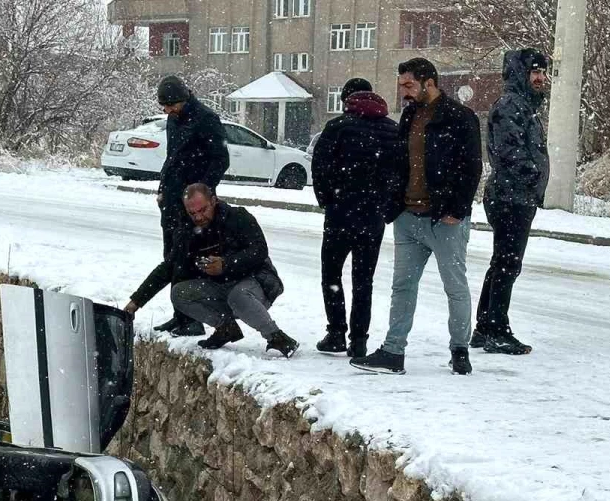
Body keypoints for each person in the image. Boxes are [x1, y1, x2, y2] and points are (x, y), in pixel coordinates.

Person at [351, 58, 482, 376]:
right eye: (401, 86)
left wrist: (457, 208)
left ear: (430, 82)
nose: (404, 92)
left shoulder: (460, 117)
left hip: (444, 220)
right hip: (408, 216)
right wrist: (391, 200)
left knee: (455, 286)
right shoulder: (410, 115)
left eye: (409, 85)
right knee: (403, 287)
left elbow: (471, 167)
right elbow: (400, 161)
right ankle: (393, 353)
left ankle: (459, 350)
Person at [125, 184, 299, 358]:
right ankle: (226, 328)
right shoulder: (187, 231)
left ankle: (277, 336)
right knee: (180, 293)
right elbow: (168, 267)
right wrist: (135, 303)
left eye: (203, 210)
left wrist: (226, 264)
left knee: (238, 296)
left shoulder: (238, 217)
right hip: (220, 286)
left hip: (256, 283)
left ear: (214, 201)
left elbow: (259, 251)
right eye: (192, 213)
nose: (198, 217)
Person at [310, 77, 403, 359]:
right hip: (372, 217)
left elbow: (320, 167)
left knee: (332, 274)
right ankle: (359, 340)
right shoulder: (392, 129)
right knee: (364, 280)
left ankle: (336, 332)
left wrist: (328, 200)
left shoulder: (338, 127)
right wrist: (387, 210)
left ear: (347, 101)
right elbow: (402, 173)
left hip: (340, 214)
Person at [471, 48, 550, 355]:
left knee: (503, 263)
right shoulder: (510, 106)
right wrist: (531, 177)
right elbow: (510, 152)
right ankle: (496, 329)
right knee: (507, 264)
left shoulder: (524, 106)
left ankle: (485, 327)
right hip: (510, 196)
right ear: (521, 73)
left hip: (516, 195)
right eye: (534, 72)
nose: (540, 78)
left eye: (542, 72)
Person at [151, 74, 230, 338]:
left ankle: (192, 319)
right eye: (164, 106)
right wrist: (163, 188)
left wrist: (202, 194)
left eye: (170, 105)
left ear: (183, 100)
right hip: (172, 200)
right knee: (171, 257)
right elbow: (172, 158)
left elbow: (220, 159)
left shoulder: (206, 119)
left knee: (187, 258)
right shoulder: (174, 119)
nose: (167, 110)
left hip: (194, 205)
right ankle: (180, 316)